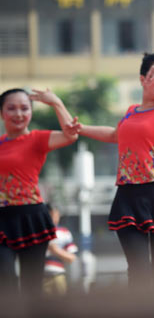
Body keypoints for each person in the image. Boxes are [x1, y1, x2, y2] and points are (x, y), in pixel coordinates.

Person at [72, 53, 154, 289]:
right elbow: (115, 135)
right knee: (138, 272)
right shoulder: (132, 111)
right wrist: (81, 129)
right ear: (143, 80)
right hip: (128, 197)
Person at [0, 88, 77, 296]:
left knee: (31, 287)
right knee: (4, 279)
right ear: (2, 113)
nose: (18, 114)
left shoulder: (37, 139)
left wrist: (56, 103)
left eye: (24, 108)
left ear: (31, 112)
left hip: (31, 217)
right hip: (2, 219)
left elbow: (71, 134)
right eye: (11, 108)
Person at [43, 204, 78, 296]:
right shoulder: (37, 231)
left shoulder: (64, 232)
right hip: (40, 276)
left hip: (58, 275)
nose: (54, 218)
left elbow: (72, 257)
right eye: (51, 215)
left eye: (56, 215)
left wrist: (55, 251)